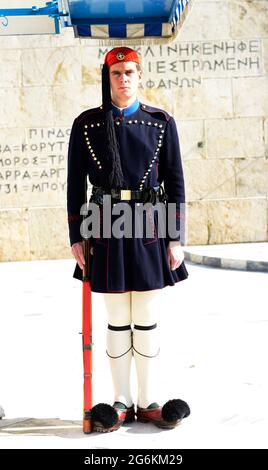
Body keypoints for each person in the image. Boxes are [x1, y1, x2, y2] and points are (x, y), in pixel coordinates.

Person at [67, 47, 190, 432]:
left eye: (130, 72)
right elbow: (74, 186)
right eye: (117, 72)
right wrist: (76, 236)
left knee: (147, 318)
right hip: (104, 223)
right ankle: (121, 402)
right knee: (118, 319)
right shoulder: (86, 124)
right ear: (108, 78)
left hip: (150, 225)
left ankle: (148, 400)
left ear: (140, 76)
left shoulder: (160, 122)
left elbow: (176, 183)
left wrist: (175, 239)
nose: (124, 79)